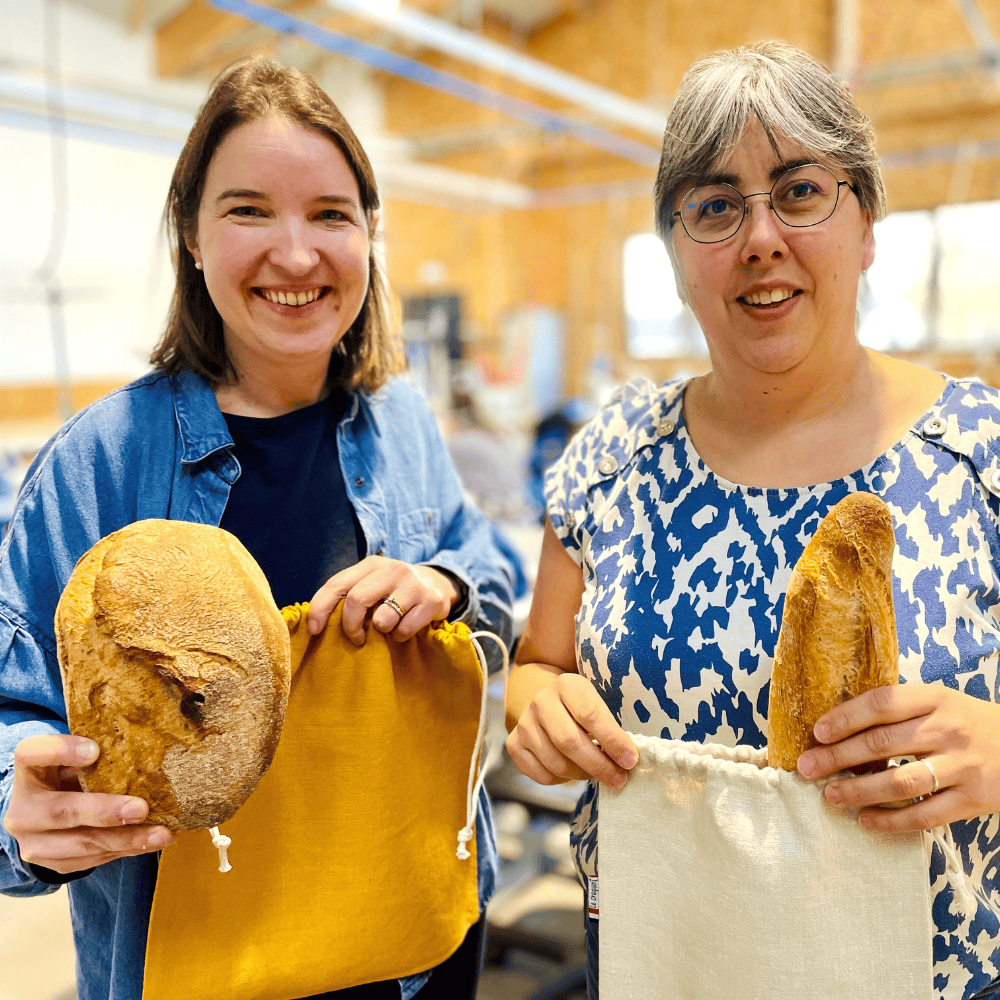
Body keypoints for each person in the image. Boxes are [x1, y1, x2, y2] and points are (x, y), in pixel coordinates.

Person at [0, 57, 514, 1000]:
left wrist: (443, 583)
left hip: (413, 944)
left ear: (368, 234)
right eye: (247, 210)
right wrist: (17, 807)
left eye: (330, 213)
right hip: (203, 971)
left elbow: (490, 563)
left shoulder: (397, 422)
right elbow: (9, 711)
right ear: (191, 235)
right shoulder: (102, 462)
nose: (296, 253)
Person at [505, 39, 1000, 1000]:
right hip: (663, 968)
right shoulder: (613, 459)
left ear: (866, 227)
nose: (760, 237)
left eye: (801, 190)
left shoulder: (982, 453)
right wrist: (537, 715)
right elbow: (539, 666)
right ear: (679, 256)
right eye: (715, 206)